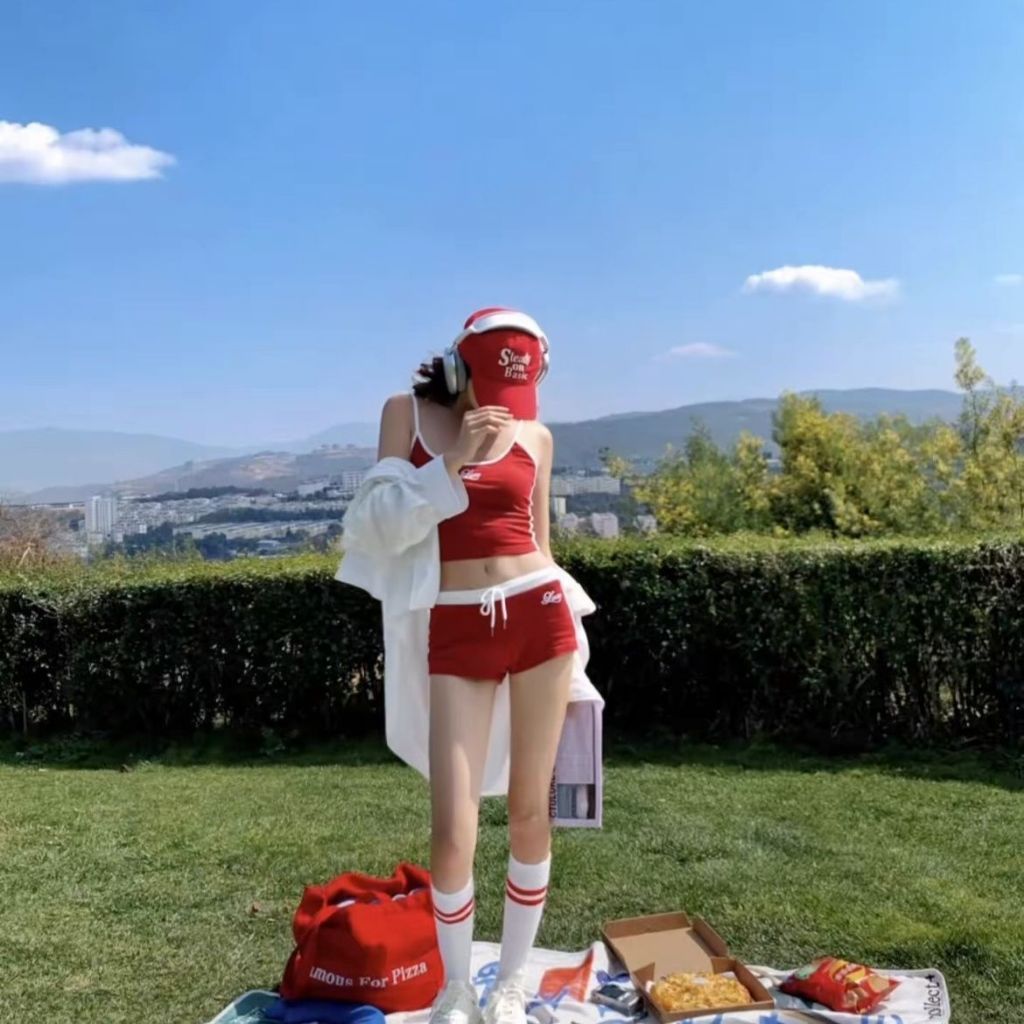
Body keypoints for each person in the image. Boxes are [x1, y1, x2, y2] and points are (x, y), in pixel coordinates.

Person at [340, 308, 596, 1024]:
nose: (505, 407)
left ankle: (510, 983)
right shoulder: (406, 415)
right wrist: (453, 462)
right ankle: (457, 987)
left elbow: (541, 542)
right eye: (492, 385)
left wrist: (576, 649)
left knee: (530, 810)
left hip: (537, 613)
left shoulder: (536, 435)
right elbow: (371, 525)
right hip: (456, 623)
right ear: (458, 368)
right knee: (452, 825)